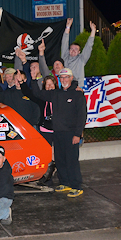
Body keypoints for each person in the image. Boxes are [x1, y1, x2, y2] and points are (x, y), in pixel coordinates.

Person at [31, 68, 87, 197]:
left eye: (66, 77)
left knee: (72, 160)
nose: (64, 80)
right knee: (60, 160)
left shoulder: (78, 95)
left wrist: (77, 134)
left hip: (71, 133)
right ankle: (65, 183)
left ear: (71, 78)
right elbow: (37, 94)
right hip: (57, 133)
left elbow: (82, 116)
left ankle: (76, 186)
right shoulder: (55, 93)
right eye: (61, 78)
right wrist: (33, 80)